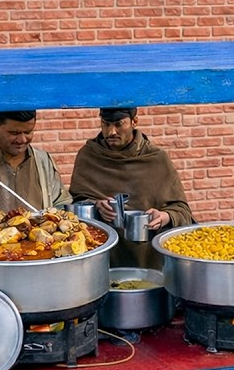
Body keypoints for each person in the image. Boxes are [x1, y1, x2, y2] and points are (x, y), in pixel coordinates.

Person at [69, 107, 195, 269]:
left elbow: (181, 210)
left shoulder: (156, 159)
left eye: (119, 124)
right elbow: (75, 206)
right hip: (101, 257)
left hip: (148, 258)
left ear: (134, 122)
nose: (111, 132)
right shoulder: (88, 156)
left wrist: (165, 216)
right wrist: (96, 205)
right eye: (105, 124)